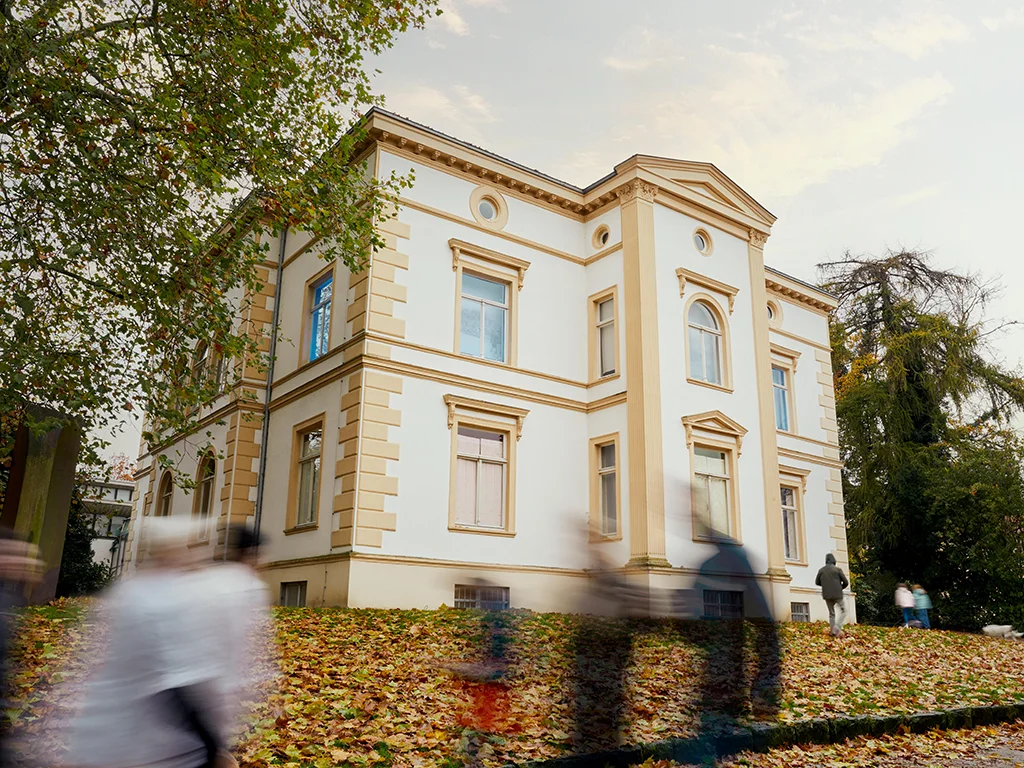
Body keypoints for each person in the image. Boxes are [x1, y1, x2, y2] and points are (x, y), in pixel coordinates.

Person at [69, 517, 229, 768]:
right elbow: (178, 682)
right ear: (173, 552)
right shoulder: (166, 601)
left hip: (114, 732)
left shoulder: (131, 591)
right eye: (188, 548)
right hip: (160, 740)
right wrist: (213, 745)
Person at [815, 553, 849, 637]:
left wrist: (825, 585)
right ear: (834, 560)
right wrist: (840, 587)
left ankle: (833, 632)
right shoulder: (838, 570)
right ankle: (837, 627)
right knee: (844, 611)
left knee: (831, 614)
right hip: (837, 594)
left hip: (827, 594)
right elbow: (846, 582)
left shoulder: (821, 570)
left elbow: (817, 582)